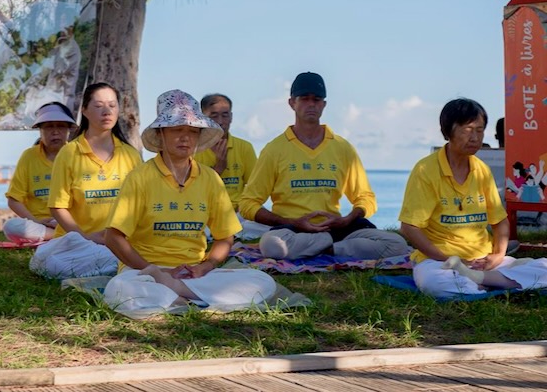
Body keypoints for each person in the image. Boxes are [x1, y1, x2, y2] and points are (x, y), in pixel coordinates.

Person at [103, 90, 277, 317]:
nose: (185, 137)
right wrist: (154, 270)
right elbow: (113, 237)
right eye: (177, 130)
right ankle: (190, 297)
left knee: (261, 281)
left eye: (193, 131)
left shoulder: (210, 178)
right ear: (161, 134)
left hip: (193, 274)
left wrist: (205, 266)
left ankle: (176, 295)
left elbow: (225, 237)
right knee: (119, 288)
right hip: (145, 272)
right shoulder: (140, 178)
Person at [238, 72, 409, 260]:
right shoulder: (275, 149)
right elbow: (248, 203)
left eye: (317, 99)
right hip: (292, 230)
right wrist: (289, 221)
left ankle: (326, 247)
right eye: (304, 99)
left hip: (335, 228)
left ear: (324, 104)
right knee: (272, 245)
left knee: (397, 244)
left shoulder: (342, 147)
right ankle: (333, 247)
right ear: (292, 103)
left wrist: (348, 219)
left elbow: (366, 197)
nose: (311, 104)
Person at [400, 98, 547, 299]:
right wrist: (447, 258)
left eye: (480, 130)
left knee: (544, 268)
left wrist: (497, 256)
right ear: (448, 131)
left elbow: (500, 221)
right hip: (439, 261)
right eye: (467, 130)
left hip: (482, 261)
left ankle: (478, 280)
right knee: (437, 284)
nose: (475, 138)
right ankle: (492, 281)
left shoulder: (481, 170)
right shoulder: (426, 170)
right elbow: (409, 227)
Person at [29, 82, 142, 279]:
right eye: (98, 106)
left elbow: (140, 206)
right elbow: (58, 206)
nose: (106, 111)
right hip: (77, 242)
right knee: (52, 263)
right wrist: (87, 237)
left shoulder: (130, 155)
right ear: (85, 110)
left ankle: (113, 267)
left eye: (112, 105)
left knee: (117, 257)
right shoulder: (69, 152)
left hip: (118, 242)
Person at [3, 102, 77, 244]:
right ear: (40, 130)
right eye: (49, 126)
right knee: (11, 226)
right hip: (40, 224)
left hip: (70, 222)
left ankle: (61, 235)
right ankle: (62, 236)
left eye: (61, 126)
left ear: (69, 130)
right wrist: (36, 221)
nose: (55, 132)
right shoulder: (29, 156)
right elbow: (14, 200)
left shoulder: (78, 155)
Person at [194, 93, 265, 239]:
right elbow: (192, 191)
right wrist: (218, 169)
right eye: (214, 116)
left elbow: (256, 187)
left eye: (225, 115)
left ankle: (231, 232)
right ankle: (229, 233)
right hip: (206, 213)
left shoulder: (244, 147)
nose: (220, 121)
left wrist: (244, 206)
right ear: (203, 119)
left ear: (231, 117)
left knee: (268, 224)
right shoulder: (193, 149)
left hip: (238, 214)